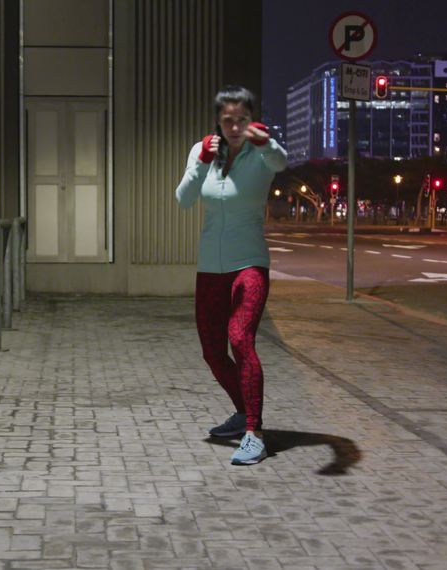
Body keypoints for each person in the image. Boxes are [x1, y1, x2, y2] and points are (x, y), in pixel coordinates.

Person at [174, 85, 287, 465]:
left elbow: (281, 162)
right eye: (228, 120)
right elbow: (183, 199)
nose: (235, 127)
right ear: (218, 122)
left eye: (241, 119)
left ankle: (254, 433)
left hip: (250, 264)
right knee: (211, 351)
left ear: (251, 119)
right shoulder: (201, 150)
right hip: (210, 268)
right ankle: (243, 412)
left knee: (240, 338)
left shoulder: (262, 153)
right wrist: (202, 161)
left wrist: (268, 143)